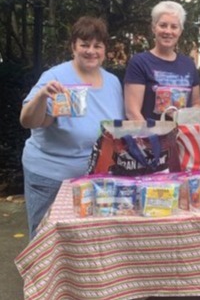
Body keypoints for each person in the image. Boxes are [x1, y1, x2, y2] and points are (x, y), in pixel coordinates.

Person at [20, 16, 125, 239]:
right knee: (44, 240)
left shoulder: (113, 82)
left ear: (105, 50)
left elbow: (117, 128)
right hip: (51, 176)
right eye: (84, 44)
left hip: (93, 180)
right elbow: (29, 121)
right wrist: (41, 97)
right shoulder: (56, 77)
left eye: (98, 45)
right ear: (73, 47)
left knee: (82, 242)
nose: (91, 51)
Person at [124, 1, 200, 121]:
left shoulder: (188, 64)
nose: (168, 31)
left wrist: (184, 118)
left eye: (174, 27)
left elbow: (197, 104)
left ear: (180, 31)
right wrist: (150, 138)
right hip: (150, 137)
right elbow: (133, 112)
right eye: (163, 25)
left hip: (183, 137)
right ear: (154, 28)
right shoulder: (139, 62)